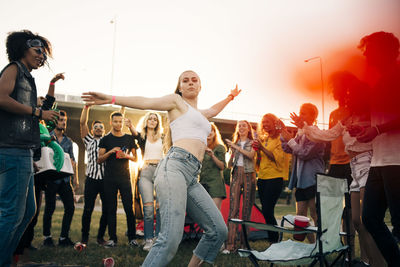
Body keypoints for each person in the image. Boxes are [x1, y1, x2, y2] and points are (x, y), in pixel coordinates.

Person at [82, 70, 239, 266]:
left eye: (194, 80)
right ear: (180, 87)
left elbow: (215, 110)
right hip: (174, 167)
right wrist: (111, 98)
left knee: (218, 230)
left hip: (192, 176)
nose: (190, 83)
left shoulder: (200, 114)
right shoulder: (176, 103)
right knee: (170, 240)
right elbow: (146, 102)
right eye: (185, 80)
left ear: (200, 86)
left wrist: (231, 97)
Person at [292, 72, 384, 266]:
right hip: (353, 169)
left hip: (367, 165)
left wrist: (364, 132)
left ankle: (376, 262)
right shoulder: (347, 119)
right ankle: (365, 261)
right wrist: (305, 126)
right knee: (357, 221)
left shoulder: (371, 115)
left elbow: (380, 133)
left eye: (350, 95)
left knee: (366, 220)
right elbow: (328, 135)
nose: (347, 98)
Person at [0, 30, 58, 266]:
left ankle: (7, 259)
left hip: (22, 152)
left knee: (25, 213)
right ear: (22, 48)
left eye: (43, 52)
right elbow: (1, 98)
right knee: (11, 213)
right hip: (11, 149)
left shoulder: (27, 77)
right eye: (37, 50)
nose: (41, 55)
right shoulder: (13, 68)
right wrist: (37, 112)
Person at [355, 31, 400, 266]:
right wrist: (364, 130)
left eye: (370, 51)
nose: (367, 56)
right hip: (379, 161)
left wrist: (378, 130)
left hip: (397, 161)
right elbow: (380, 121)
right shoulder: (379, 82)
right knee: (370, 218)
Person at [13, 73, 64, 264]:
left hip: (36, 168)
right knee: (20, 213)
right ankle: (14, 257)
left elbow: (49, 103)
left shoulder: (39, 121)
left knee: (32, 214)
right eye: (39, 98)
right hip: (23, 164)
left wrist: (52, 83)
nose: (42, 101)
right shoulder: (25, 115)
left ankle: (23, 254)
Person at [281, 103, 325, 243]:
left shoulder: (316, 134)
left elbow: (304, 153)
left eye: (304, 113)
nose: (301, 115)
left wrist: (291, 140)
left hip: (313, 179)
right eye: (300, 112)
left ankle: (321, 245)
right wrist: (283, 132)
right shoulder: (300, 134)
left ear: (313, 116)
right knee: (300, 217)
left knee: (315, 214)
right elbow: (288, 148)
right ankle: (313, 245)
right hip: (300, 182)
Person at [97, 111, 138, 248]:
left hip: (125, 178)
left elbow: (135, 158)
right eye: (116, 121)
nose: (118, 124)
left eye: (120, 122)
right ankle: (112, 239)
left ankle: (132, 238)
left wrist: (125, 156)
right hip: (109, 179)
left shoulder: (128, 138)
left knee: (128, 209)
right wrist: (111, 152)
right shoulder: (105, 139)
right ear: (111, 122)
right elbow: (99, 160)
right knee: (111, 209)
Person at [126, 112, 166, 251]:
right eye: (150, 118)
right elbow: (134, 133)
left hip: (161, 172)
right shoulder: (142, 137)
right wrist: (130, 124)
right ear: (146, 121)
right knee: (148, 209)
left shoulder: (163, 137)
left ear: (158, 123)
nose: (152, 121)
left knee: (160, 209)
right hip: (146, 172)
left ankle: (158, 238)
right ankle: (148, 239)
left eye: (155, 119)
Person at [42, 110, 79, 247]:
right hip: (51, 179)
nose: (63, 122)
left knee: (70, 207)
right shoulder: (47, 136)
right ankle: (47, 237)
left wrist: (75, 178)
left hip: (65, 180)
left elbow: (72, 160)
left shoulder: (69, 142)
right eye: (60, 120)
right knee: (49, 208)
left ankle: (64, 238)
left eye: (65, 120)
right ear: (55, 121)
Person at [252, 113, 290, 243]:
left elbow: (276, 158)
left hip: (275, 178)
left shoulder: (280, 139)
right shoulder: (264, 139)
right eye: (264, 122)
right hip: (262, 178)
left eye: (268, 122)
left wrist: (261, 147)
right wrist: (257, 150)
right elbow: (259, 161)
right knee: (266, 210)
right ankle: (272, 238)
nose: (265, 125)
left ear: (274, 123)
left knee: (268, 210)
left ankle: (275, 240)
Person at [223, 120, 256, 254]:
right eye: (239, 126)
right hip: (236, 173)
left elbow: (251, 155)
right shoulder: (235, 144)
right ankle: (230, 245)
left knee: (246, 209)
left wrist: (236, 148)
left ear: (249, 129)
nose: (242, 127)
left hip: (249, 174)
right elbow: (229, 165)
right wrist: (231, 152)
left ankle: (244, 245)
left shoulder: (253, 143)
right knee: (233, 208)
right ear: (237, 129)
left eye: (244, 125)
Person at [79, 104, 108, 245]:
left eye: (100, 127)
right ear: (92, 130)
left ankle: (100, 237)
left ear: (104, 130)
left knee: (106, 210)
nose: (98, 129)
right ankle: (84, 236)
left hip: (105, 180)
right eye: (96, 127)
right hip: (91, 179)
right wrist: (87, 107)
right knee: (88, 209)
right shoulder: (88, 140)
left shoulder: (108, 141)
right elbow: (82, 122)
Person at [199, 122, 227, 210]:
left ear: (215, 133)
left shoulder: (219, 147)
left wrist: (212, 156)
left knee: (215, 214)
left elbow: (222, 166)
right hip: (203, 184)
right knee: (204, 214)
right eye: (207, 130)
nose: (209, 132)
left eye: (211, 130)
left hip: (215, 186)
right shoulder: (200, 147)